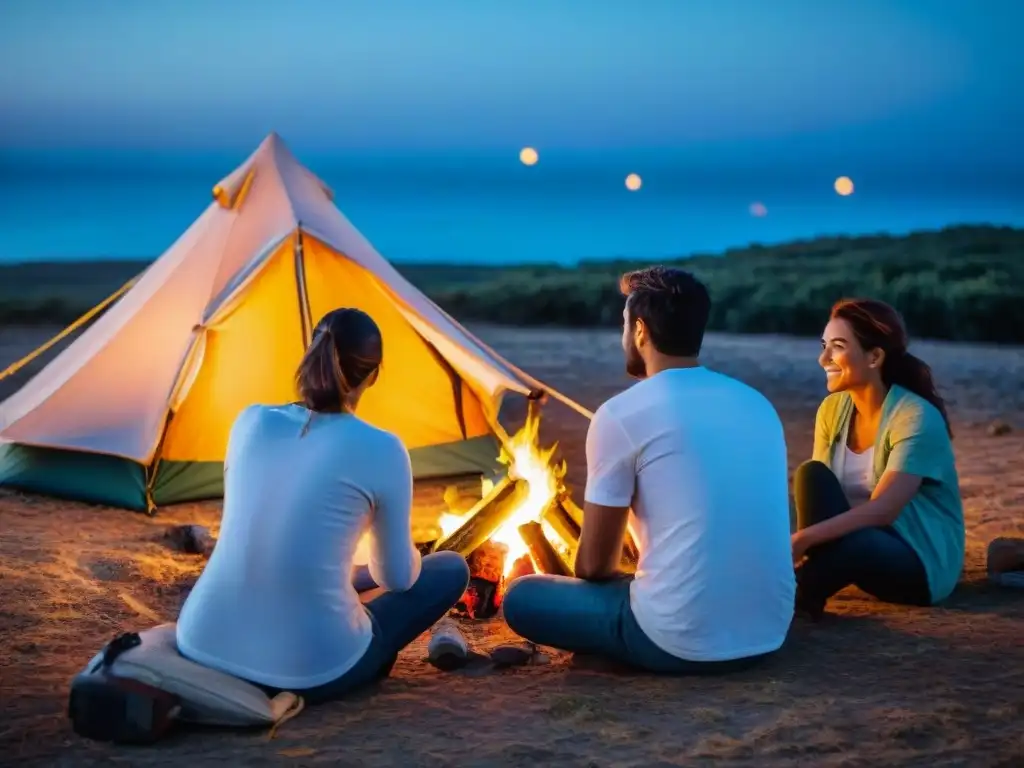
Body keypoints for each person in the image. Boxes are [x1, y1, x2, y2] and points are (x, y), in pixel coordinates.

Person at [502, 266, 795, 673]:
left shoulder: (622, 414)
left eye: (625, 325)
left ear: (640, 331)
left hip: (676, 642)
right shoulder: (757, 404)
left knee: (522, 598)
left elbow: (593, 567)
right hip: (769, 630)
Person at [176, 308, 469, 704]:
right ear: (374, 375)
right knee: (449, 568)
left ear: (311, 355)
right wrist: (413, 555)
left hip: (202, 641)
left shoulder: (250, 420)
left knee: (332, 569)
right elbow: (397, 578)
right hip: (312, 669)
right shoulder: (383, 447)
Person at [792, 298, 964, 617]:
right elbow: (821, 507)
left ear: (874, 356)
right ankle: (808, 582)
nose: (823, 358)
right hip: (861, 548)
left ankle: (797, 590)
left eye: (838, 346)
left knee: (862, 543)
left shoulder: (915, 416)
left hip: (918, 563)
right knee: (811, 474)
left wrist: (802, 539)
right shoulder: (832, 410)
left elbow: (884, 511)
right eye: (824, 345)